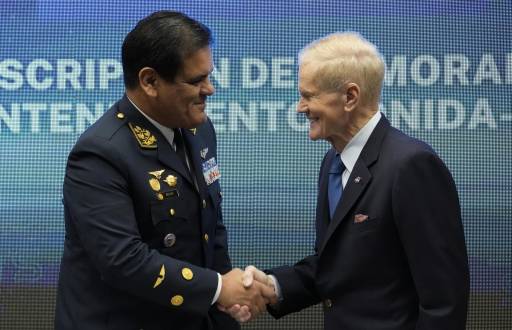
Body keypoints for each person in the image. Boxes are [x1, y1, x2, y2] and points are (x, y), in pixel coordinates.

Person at [227, 32, 470, 329]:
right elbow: (335, 265)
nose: (299, 107)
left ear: (350, 97)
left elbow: (444, 302)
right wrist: (273, 286)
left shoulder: (411, 165)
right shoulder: (333, 162)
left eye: (308, 95)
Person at [54, 11, 275, 330]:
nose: (209, 89)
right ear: (150, 81)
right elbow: (124, 260)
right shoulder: (100, 153)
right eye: (196, 80)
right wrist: (217, 289)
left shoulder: (199, 130)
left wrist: (231, 297)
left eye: (209, 76)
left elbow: (209, 227)